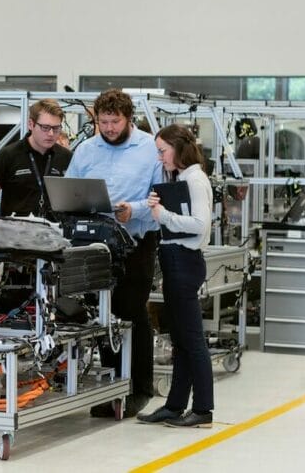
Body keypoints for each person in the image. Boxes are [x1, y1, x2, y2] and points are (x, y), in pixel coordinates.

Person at [66, 88, 162, 418]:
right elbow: (69, 188)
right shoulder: (86, 150)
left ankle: (139, 388)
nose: (108, 128)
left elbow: (160, 196)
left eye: (114, 121)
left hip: (137, 240)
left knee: (130, 310)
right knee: (104, 315)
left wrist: (132, 210)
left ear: (128, 119)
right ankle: (112, 386)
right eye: (103, 122)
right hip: (97, 244)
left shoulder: (150, 148)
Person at [138, 124, 214, 428]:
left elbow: (200, 225)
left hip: (185, 261)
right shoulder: (180, 178)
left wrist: (163, 216)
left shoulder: (195, 179)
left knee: (192, 340)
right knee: (181, 340)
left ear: (178, 148)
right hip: (174, 259)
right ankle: (175, 405)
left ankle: (204, 409)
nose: (160, 158)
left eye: (162, 151)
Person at [0, 99, 72, 218]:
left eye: (56, 128)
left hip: (55, 231)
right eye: (45, 127)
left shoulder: (66, 157)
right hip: (15, 232)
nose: (51, 133)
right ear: (31, 124)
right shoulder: (8, 155)